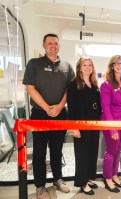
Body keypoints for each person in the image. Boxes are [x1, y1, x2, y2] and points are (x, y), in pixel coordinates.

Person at [22, 33, 74, 199]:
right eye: (50, 43)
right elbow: (30, 88)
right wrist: (47, 108)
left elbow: (69, 90)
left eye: (56, 43)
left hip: (60, 114)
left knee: (57, 150)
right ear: (44, 45)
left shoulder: (67, 65)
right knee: (39, 151)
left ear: (59, 46)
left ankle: (58, 179)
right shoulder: (34, 64)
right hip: (39, 114)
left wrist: (59, 107)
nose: (53, 46)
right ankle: (40, 186)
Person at [66, 57, 101, 195]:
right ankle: (82, 182)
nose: (87, 67)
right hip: (81, 124)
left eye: (90, 65)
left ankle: (88, 177)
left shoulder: (94, 83)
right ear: (79, 67)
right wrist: (74, 127)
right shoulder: (74, 84)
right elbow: (72, 108)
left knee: (92, 152)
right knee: (82, 154)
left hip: (94, 124)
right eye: (84, 65)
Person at [100, 55, 121, 193]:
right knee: (111, 151)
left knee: (119, 151)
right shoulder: (106, 85)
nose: (120, 65)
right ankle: (107, 178)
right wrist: (113, 129)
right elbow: (106, 108)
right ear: (112, 66)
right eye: (117, 63)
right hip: (113, 122)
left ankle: (114, 175)